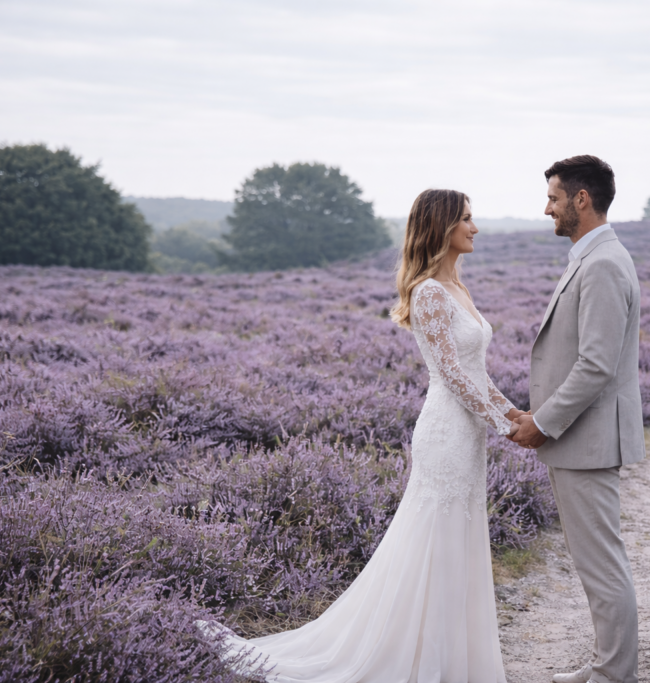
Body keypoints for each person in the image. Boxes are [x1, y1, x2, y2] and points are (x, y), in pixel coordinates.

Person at [197, 189, 520, 682]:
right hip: (445, 431)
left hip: (468, 433)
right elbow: (452, 375)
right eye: (468, 220)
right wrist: (504, 424)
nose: (475, 229)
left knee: (459, 538)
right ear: (442, 227)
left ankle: (455, 661)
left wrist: (515, 412)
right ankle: (415, 659)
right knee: (434, 539)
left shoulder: (460, 290)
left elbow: (477, 371)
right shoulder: (430, 291)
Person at [509, 155, 644, 683]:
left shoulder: (604, 263)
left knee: (602, 566)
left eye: (553, 198)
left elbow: (595, 365)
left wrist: (542, 423)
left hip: (587, 439)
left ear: (580, 199)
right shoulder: (590, 258)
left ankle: (616, 676)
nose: (547, 209)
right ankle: (608, 667)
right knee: (595, 564)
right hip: (579, 437)